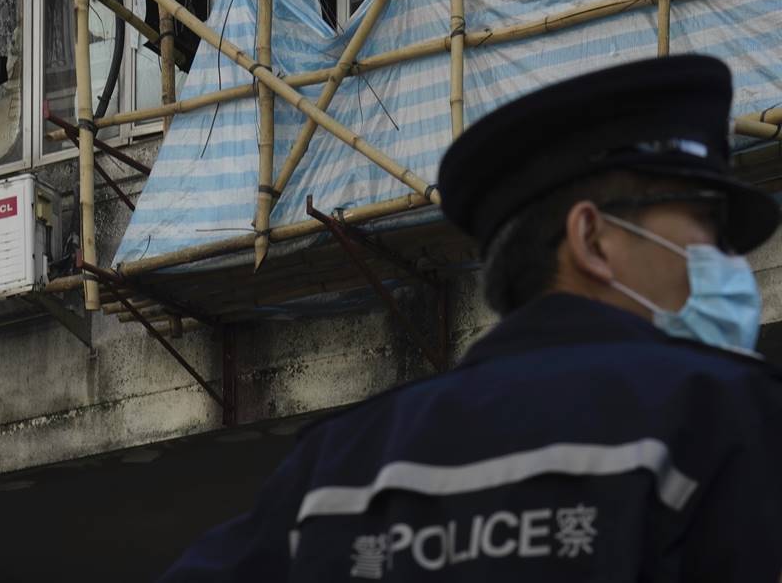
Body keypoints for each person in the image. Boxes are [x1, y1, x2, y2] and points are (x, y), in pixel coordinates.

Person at [158, 55, 782, 582]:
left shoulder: (338, 470)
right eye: (707, 226)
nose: (725, 262)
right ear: (593, 237)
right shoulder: (729, 416)